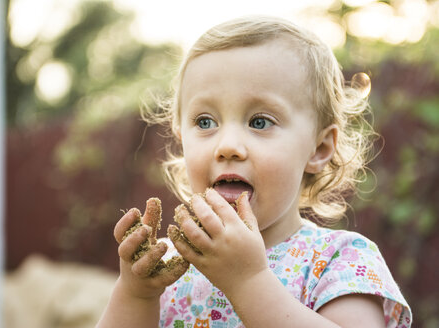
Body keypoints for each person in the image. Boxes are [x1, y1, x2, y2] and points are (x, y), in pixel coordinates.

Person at [97, 16, 412, 328]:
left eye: (260, 122)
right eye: (205, 122)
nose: (228, 145)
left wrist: (248, 281)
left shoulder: (341, 261)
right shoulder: (172, 266)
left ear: (318, 149)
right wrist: (135, 295)